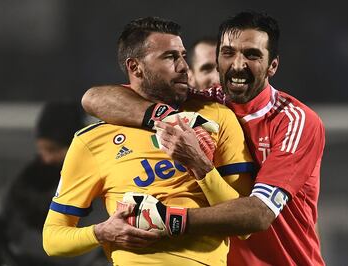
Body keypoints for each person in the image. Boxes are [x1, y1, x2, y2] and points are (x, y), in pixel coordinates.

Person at [82, 11, 326, 266]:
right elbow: (94, 98)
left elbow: (259, 215)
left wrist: (169, 220)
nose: (238, 65)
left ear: (272, 65)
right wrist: (163, 116)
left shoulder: (294, 121)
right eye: (228, 53)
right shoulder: (202, 104)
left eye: (252, 55)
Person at [43, 17, 254, 266]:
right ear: (135, 67)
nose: (184, 66)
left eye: (183, 55)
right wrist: (102, 232)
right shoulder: (91, 141)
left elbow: (244, 223)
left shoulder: (214, 117)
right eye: (170, 57)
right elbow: (52, 239)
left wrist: (199, 164)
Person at [2, 102, 108, 266]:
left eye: (53, 150)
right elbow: (9, 212)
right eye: (41, 150)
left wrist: (18, 237)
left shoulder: (97, 180)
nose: (46, 158)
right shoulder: (31, 178)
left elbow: (85, 250)